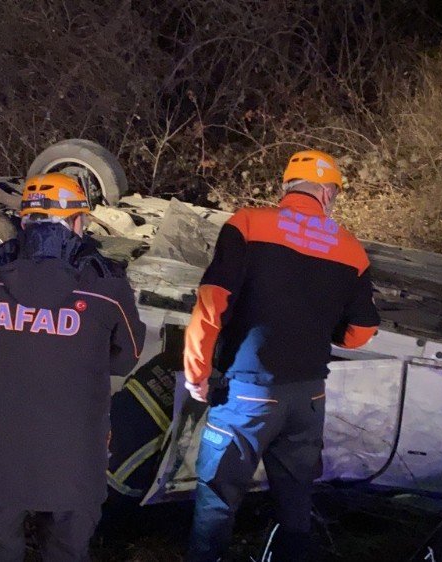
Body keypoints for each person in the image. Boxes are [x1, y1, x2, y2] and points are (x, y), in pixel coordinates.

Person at [184, 150, 380, 561]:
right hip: (309, 396)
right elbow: (362, 332)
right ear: (327, 193)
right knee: (295, 503)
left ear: (288, 187)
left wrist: (197, 371)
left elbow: (211, 302)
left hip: (248, 392)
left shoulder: (249, 224)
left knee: (219, 495)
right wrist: (320, 331)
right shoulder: (351, 251)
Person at [0, 172, 145, 561]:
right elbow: (126, 358)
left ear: (25, 222)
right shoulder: (106, 287)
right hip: (73, 459)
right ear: (76, 222)